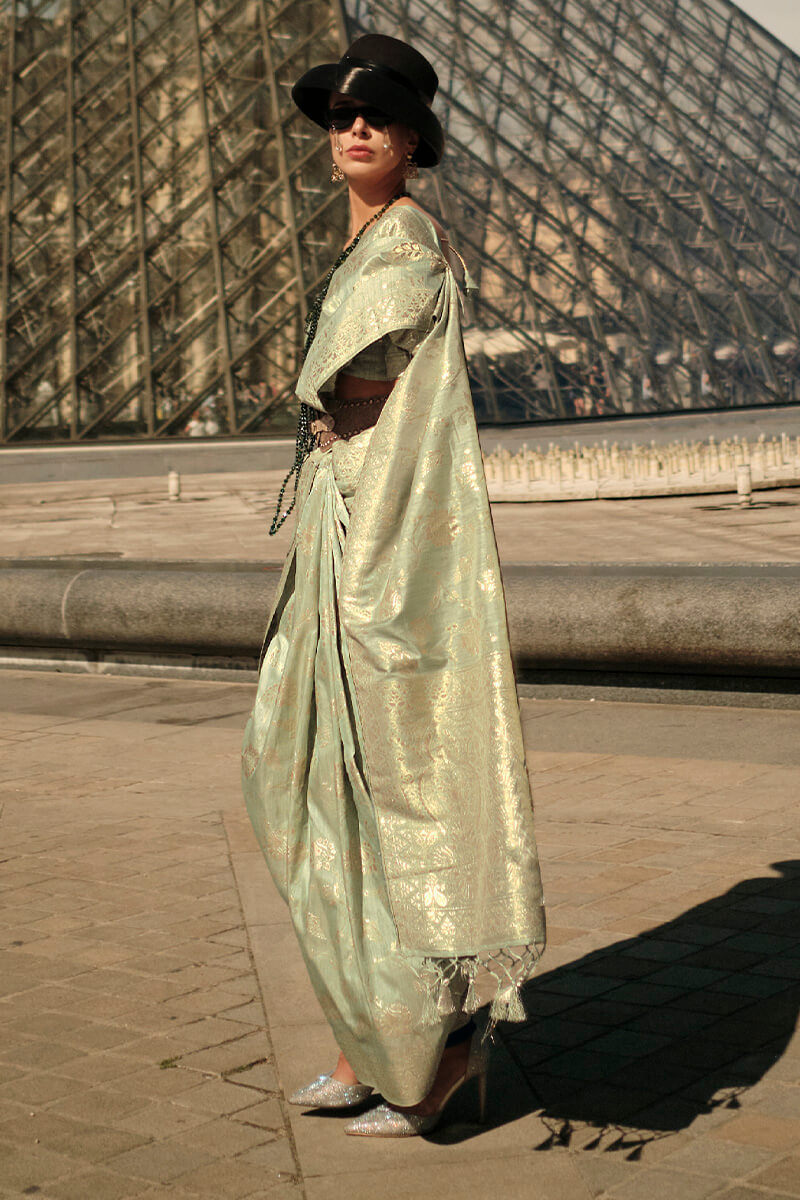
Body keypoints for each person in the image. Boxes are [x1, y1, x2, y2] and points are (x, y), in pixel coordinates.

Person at [242, 33, 545, 1138]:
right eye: (338, 117)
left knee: (372, 797)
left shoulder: (404, 239)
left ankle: (432, 1048)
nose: (354, 130)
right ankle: (378, 1039)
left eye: (377, 115)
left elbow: (355, 381)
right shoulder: (365, 242)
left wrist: (327, 407)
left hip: (379, 551)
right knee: (318, 789)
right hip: (341, 534)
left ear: (415, 138)